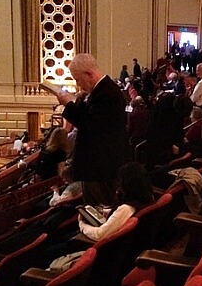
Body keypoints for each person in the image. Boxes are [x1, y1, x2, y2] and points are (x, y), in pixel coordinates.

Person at [57, 53, 130, 206]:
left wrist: (68, 105)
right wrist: (78, 102)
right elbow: (93, 120)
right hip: (99, 168)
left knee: (97, 210)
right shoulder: (102, 91)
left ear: (89, 74)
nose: (79, 84)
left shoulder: (107, 94)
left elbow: (91, 126)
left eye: (78, 79)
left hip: (101, 169)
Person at [78, 162, 154, 241]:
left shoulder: (126, 209)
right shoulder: (148, 199)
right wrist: (103, 211)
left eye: (120, 181)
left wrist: (82, 225)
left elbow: (99, 235)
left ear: (127, 184)